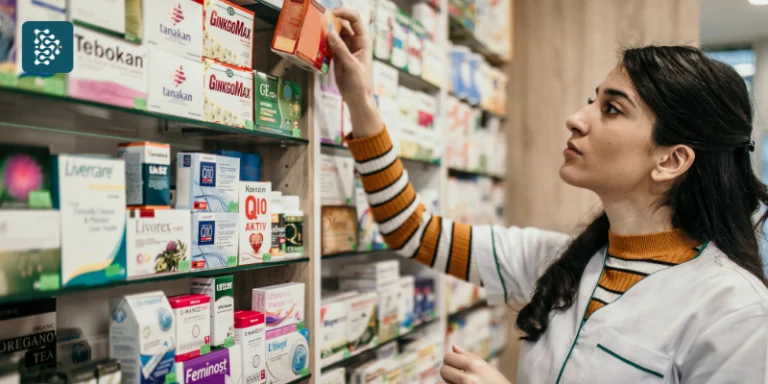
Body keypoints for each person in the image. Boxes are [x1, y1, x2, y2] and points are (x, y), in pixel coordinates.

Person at [327, 8, 768, 384]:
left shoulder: (736, 313)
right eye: (592, 101)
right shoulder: (560, 263)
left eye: (611, 109)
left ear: (671, 161)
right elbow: (413, 232)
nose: (576, 118)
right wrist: (360, 97)